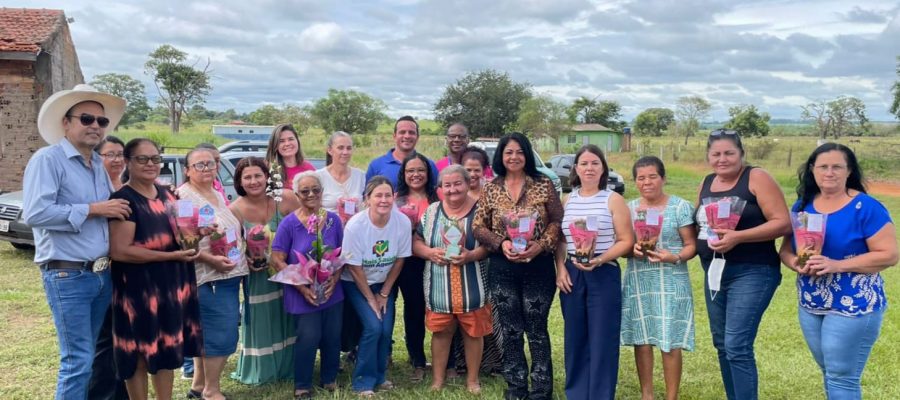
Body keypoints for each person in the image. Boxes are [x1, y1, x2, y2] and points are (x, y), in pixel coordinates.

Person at [23, 84, 129, 400]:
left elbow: (110, 210)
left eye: (101, 121)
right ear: (66, 123)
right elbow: (36, 213)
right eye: (86, 118)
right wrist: (94, 209)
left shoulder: (96, 164)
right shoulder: (48, 159)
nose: (95, 126)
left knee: (90, 356)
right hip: (67, 274)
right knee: (77, 361)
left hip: (100, 274)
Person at [778, 143, 898, 399]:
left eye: (837, 167)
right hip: (811, 303)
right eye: (823, 166)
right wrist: (795, 262)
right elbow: (786, 250)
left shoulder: (866, 207)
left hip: (853, 304)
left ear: (849, 171)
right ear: (812, 170)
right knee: (830, 372)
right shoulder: (803, 206)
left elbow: (889, 255)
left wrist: (836, 265)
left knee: (841, 376)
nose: (829, 172)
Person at [695, 129, 791, 400]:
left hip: (752, 271)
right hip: (714, 272)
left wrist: (739, 237)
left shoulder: (756, 177)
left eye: (729, 153)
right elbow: (699, 224)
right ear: (708, 156)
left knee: (737, 345)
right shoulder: (707, 182)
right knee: (722, 344)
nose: (722, 159)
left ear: (741, 154)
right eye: (716, 154)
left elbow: (783, 223)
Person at [107, 138, 203, 400]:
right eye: (142, 159)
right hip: (139, 289)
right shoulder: (124, 200)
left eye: (155, 159)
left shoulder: (168, 195)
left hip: (171, 285)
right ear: (128, 162)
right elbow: (120, 250)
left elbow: (180, 233)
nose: (150, 164)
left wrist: (197, 235)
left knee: (167, 349)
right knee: (138, 352)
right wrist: (170, 255)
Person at [472, 132, 563, 400]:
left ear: (528, 155)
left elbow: (557, 221)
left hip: (539, 266)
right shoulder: (491, 188)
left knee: (536, 328)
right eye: (509, 152)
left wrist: (541, 244)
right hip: (503, 267)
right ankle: (516, 386)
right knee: (510, 330)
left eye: (520, 152)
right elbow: (478, 226)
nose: (514, 157)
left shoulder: (543, 184)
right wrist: (501, 244)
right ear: (501, 156)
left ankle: (541, 388)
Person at [554, 144, 634, 400]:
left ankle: (600, 394)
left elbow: (626, 241)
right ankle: (577, 393)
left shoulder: (613, 199)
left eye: (595, 163)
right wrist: (560, 269)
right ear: (576, 169)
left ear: (603, 168)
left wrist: (599, 259)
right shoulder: (568, 200)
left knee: (602, 338)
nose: (589, 168)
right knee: (575, 337)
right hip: (573, 274)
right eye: (584, 163)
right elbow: (562, 241)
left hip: (603, 272)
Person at [621, 156, 697, 400]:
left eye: (653, 176)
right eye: (641, 178)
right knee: (642, 338)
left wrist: (675, 257)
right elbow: (622, 244)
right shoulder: (629, 209)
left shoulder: (680, 207)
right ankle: (647, 395)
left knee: (669, 339)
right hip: (638, 280)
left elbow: (691, 245)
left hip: (671, 280)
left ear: (663, 178)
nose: (647, 182)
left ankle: (671, 397)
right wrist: (631, 249)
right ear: (635, 181)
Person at [412, 165, 491, 393]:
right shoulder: (431, 212)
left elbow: (490, 244)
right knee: (441, 332)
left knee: (473, 332)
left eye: (458, 184)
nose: (452, 189)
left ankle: (472, 380)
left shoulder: (481, 210)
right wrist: (429, 253)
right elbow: (416, 241)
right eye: (447, 185)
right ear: (440, 188)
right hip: (439, 285)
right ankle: (438, 380)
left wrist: (471, 255)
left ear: (467, 184)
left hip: (472, 283)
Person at [177, 147, 247, 400]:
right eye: (199, 165)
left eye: (210, 163)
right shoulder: (184, 198)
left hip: (228, 273)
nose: (206, 168)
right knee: (222, 334)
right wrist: (210, 260)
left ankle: (199, 386)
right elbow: (184, 243)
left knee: (207, 333)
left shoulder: (215, 192)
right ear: (187, 170)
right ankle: (212, 390)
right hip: (209, 277)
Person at [271, 171, 345, 399]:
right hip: (301, 292)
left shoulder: (333, 220)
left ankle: (329, 378)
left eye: (316, 190)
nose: (311, 194)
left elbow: (342, 253)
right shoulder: (289, 224)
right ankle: (302, 384)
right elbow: (277, 258)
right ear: (296, 195)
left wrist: (335, 279)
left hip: (331, 291)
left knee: (332, 335)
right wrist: (301, 286)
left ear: (322, 192)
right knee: (308, 337)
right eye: (305, 191)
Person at [229, 157, 300, 385]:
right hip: (258, 276)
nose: (254, 181)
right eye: (247, 177)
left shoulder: (285, 198)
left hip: (288, 272)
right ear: (239, 181)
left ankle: (289, 365)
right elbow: (232, 246)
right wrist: (245, 259)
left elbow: (305, 228)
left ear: (267, 177)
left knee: (288, 315)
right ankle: (263, 369)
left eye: (258, 175)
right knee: (263, 318)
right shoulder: (235, 209)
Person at [341, 176, 412, 397]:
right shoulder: (356, 226)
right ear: (367, 199)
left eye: (387, 195)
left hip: (383, 283)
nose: (383, 200)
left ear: (394, 197)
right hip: (356, 282)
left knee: (385, 329)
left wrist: (384, 293)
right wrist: (371, 299)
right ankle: (362, 382)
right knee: (373, 327)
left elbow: (400, 260)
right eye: (378, 195)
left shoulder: (402, 222)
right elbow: (354, 267)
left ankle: (380, 376)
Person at [88, 134, 130, 400]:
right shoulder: (96, 191)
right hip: (103, 271)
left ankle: (121, 393)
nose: (116, 160)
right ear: (97, 157)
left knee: (123, 337)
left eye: (120, 154)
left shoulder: (125, 187)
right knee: (104, 339)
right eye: (110, 154)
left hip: (129, 273)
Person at [394, 152, 439, 381]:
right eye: (410, 170)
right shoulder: (396, 200)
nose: (416, 174)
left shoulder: (438, 196)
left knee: (441, 309)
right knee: (414, 310)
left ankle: (447, 360)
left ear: (428, 172)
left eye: (420, 170)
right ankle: (417, 360)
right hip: (408, 263)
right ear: (403, 174)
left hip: (437, 261)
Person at [365, 115, 438, 189]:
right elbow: (367, 194)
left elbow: (437, 193)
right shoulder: (376, 165)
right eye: (402, 132)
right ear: (394, 136)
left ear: (417, 137)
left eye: (411, 132)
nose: (407, 136)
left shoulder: (429, 165)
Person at [317, 131, 366, 224]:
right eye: (340, 148)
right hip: (328, 228)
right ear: (330, 150)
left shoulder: (361, 176)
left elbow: (366, 205)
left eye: (349, 148)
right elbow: (314, 210)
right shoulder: (318, 177)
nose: (345, 152)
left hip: (355, 228)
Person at [266, 124, 316, 191]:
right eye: (281, 141)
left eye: (291, 139)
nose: (287, 144)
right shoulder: (267, 169)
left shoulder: (308, 169)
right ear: (275, 145)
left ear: (297, 141)